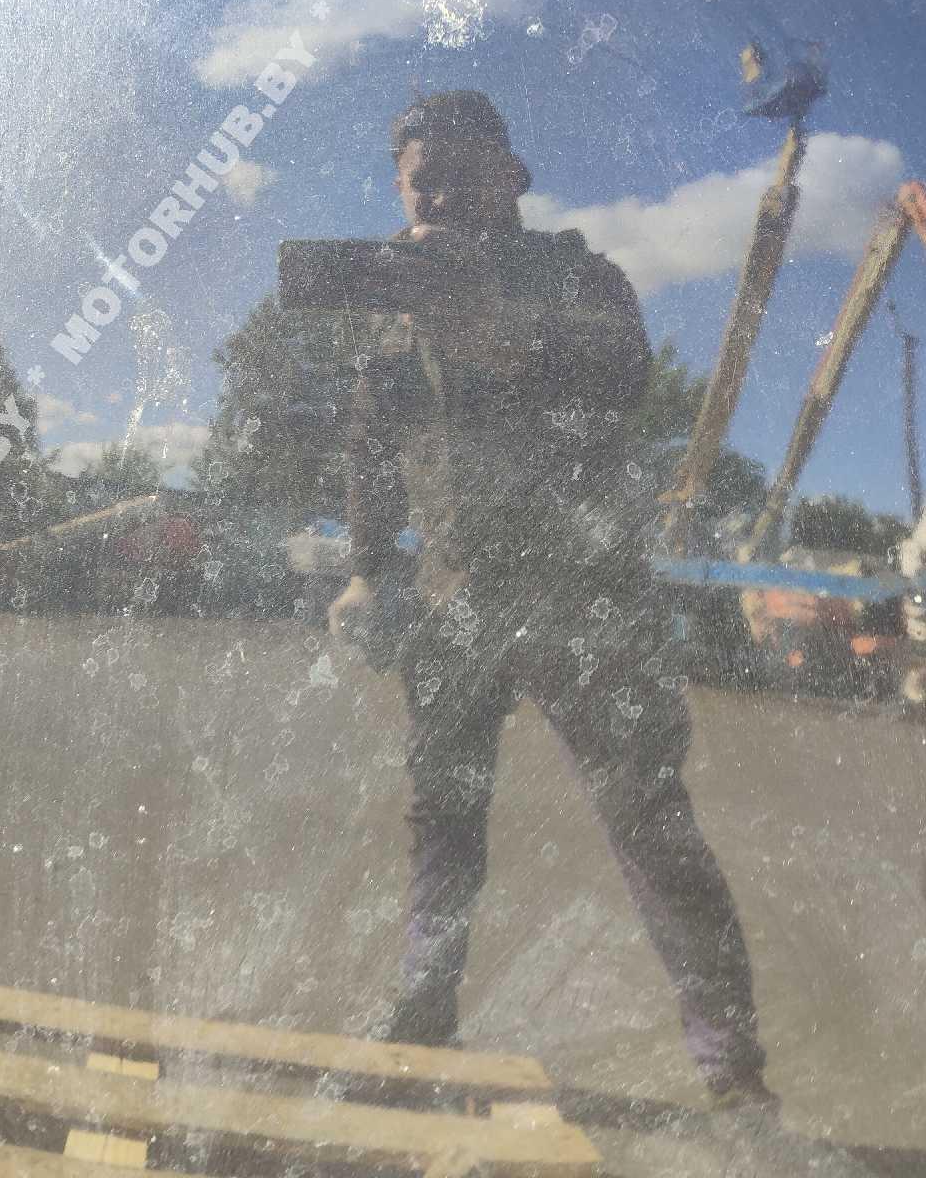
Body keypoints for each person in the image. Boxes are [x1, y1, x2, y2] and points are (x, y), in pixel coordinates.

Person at [326, 90, 776, 1111]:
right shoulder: (394, 302)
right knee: (442, 816)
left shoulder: (583, 277)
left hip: (586, 597)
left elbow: (620, 386)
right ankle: (424, 1014)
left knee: (647, 819)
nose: (441, 195)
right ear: (400, 190)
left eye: (462, 175)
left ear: (513, 178)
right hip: (455, 599)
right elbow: (371, 447)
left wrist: (492, 337)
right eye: (422, 181)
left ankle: (732, 1070)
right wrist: (367, 568)